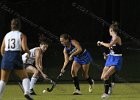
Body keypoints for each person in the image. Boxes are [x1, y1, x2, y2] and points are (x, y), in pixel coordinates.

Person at [0, 18, 33, 100]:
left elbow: (1, 49)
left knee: (3, 80)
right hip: (16, 56)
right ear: (19, 26)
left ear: (11, 26)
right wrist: (29, 53)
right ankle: (27, 92)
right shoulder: (22, 35)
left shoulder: (7, 35)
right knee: (24, 77)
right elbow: (24, 48)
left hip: (6, 56)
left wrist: (6, 58)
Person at [97, 22, 123, 99]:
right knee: (102, 77)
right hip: (111, 58)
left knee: (106, 76)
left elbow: (109, 45)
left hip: (117, 59)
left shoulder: (116, 38)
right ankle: (110, 86)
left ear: (111, 30)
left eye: (109, 30)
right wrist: (107, 55)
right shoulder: (112, 38)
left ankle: (106, 94)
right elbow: (113, 49)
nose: (109, 32)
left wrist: (101, 43)